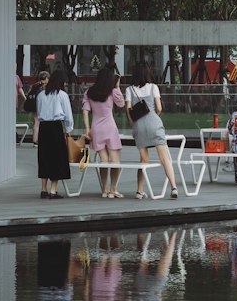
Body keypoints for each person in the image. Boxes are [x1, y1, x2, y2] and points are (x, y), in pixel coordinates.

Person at [125, 60, 179, 199]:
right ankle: (173, 187)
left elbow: (128, 111)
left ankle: (139, 191)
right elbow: (159, 108)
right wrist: (154, 116)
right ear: (147, 73)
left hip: (139, 125)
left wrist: (134, 124)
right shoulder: (153, 87)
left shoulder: (129, 89)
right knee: (164, 158)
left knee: (143, 159)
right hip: (154, 123)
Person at [82, 67, 126, 198]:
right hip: (110, 128)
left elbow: (85, 111)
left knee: (104, 160)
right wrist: (117, 86)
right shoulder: (112, 91)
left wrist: (87, 128)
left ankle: (104, 189)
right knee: (115, 160)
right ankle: (113, 189)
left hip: (96, 128)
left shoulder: (89, 92)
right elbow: (122, 104)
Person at [35, 68, 74, 197]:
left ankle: (43, 189)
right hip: (56, 127)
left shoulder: (41, 95)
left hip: (44, 127)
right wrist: (68, 129)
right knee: (57, 157)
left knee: (44, 156)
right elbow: (68, 115)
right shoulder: (62, 95)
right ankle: (53, 190)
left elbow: (39, 112)